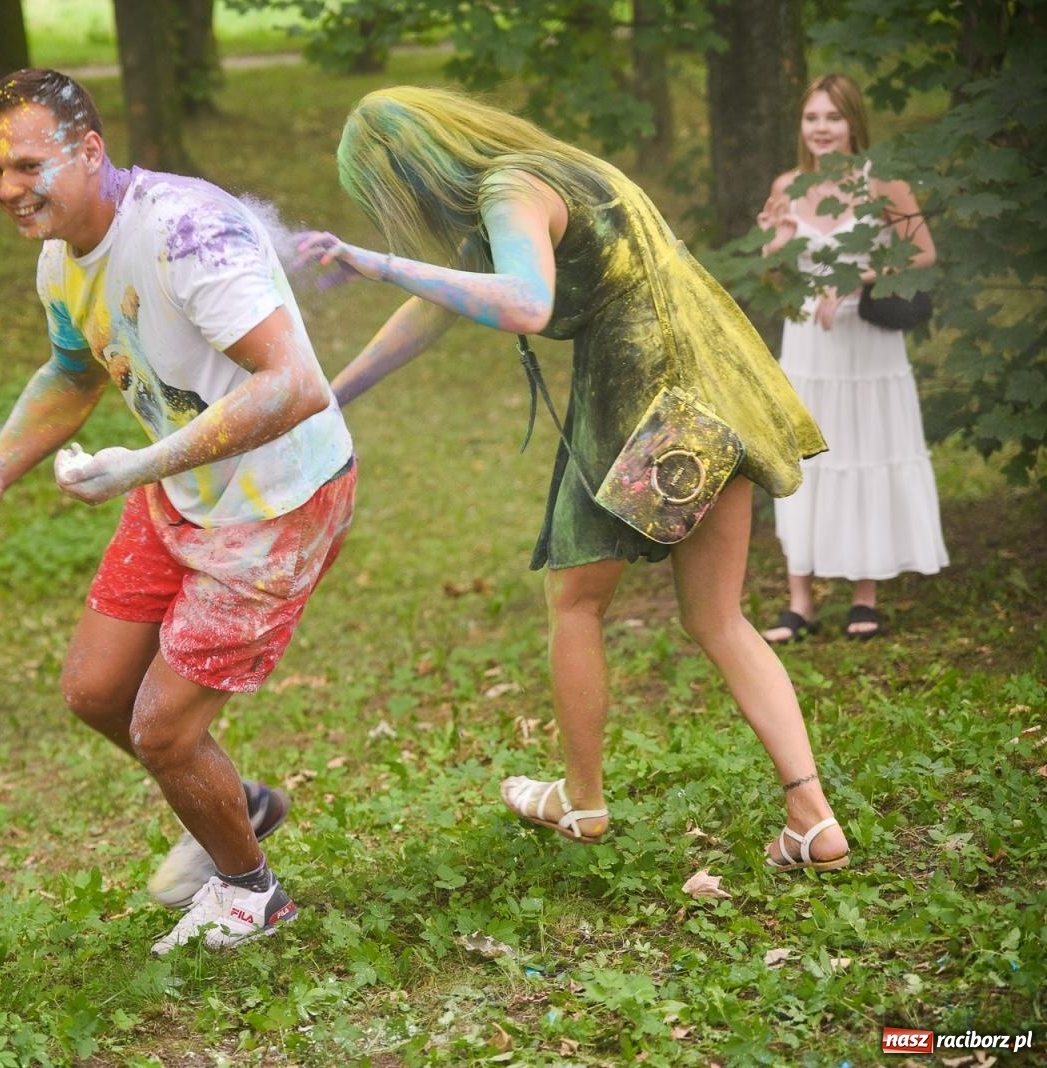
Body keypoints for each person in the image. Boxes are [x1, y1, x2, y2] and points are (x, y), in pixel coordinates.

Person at [296, 85, 849, 872]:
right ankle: (813, 819)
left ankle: (582, 802)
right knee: (719, 618)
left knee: (577, 603)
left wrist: (376, 262)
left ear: (411, 172)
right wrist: (329, 399)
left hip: (646, 403)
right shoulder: (554, 172)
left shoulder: (509, 190)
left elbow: (524, 304)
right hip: (717, 392)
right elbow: (435, 306)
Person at [0, 69, 357, 953]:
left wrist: (139, 465)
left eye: (28, 164)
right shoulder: (60, 258)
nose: (8, 188)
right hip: (179, 491)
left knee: (163, 729)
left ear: (90, 150)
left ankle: (251, 892)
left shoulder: (185, 233)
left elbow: (297, 383)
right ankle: (240, 808)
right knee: (95, 691)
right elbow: (74, 373)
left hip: (279, 503)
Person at [756, 73, 946, 644]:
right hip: (810, 347)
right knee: (806, 461)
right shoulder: (787, 185)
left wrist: (858, 276)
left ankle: (865, 596)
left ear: (853, 123)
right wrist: (776, 241)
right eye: (812, 118)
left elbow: (924, 253)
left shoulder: (884, 184)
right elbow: (772, 273)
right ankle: (800, 602)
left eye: (832, 118)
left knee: (866, 450)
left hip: (868, 343)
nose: (821, 128)